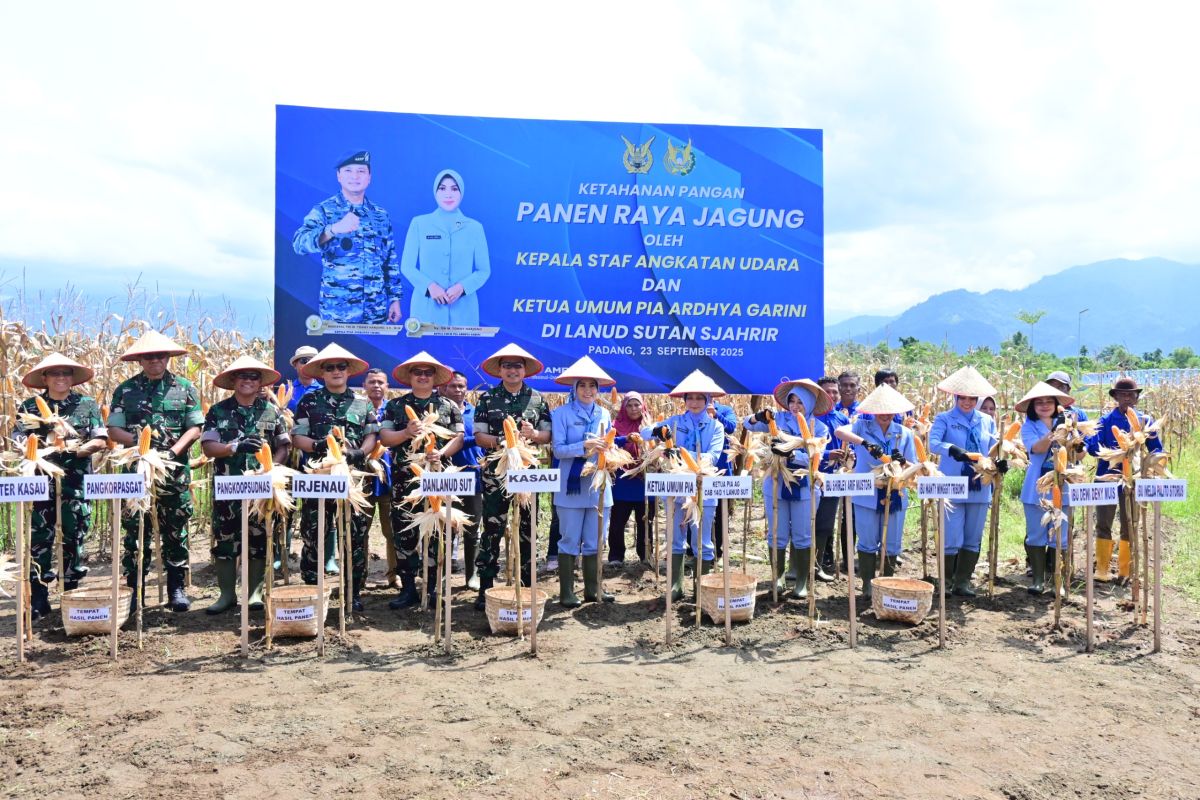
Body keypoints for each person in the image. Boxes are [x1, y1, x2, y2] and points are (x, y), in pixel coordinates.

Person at [108, 330, 203, 613]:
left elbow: (195, 427)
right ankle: (135, 589)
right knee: (136, 530)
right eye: (149, 357)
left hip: (174, 471)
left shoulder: (185, 388)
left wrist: (173, 453)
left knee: (175, 528)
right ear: (140, 360)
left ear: (167, 358)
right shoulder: (125, 390)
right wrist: (140, 446)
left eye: (160, 356)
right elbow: (114, 430)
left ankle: (176, 587)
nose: (155, 361)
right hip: (137, 469)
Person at [15, 354, 107, 619]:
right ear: (44, 378)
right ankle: (39, 598)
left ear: (72, 378)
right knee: (40, 540)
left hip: (75, 482)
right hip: (40, 482)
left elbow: (100, 439)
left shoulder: (86, 404)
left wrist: (75, 449)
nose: (60, 378)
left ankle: (72, 596)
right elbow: (18, 438)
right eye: (54, 374)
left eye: (65, 373)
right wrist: (38, 447)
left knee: (74, 536)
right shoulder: (30, 406)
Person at [291, 343, 379, 612]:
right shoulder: (309, 401)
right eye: (330, 368)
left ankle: (352, 590)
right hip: (319, 476)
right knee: (314, 532)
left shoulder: (362, 404)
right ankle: (313, 589)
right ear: (322, 372)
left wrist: (359, 453)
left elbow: (372, 436)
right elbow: (297, 437)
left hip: (353, 478)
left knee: (354, 535)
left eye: (341, 367)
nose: (336, 371)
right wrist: (318, 446)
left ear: (348, 371)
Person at [199, 356, 290, 614]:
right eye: (242, 376)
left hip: (261, 489)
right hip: (229, 487)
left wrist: (270, 469)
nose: (248, 381)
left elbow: (283, 446)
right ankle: (226, 595)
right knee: (226, 539)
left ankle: (254, 594)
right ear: (233, 381)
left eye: (253, 377)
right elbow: (207, 447)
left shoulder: (271, 411)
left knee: (259, 538)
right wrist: (233, 447)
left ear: (260, 382)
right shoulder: (218, 411)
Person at [380, 352, 463, 610]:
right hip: (407, 481)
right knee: (405, 533)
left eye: (428, 373)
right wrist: (405, 432)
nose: (423, 377)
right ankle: (408, 590)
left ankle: (433, 587)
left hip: (438, 479)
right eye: (418, 372)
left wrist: (442, 452)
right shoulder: (396, 405)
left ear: (434, 377)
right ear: (411, 377)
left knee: (438, 532)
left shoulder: (448, 406)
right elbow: (384, 437)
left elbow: (458, 437)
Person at [471, 344, 552, 611]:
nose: (513, 370)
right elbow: (479, 436)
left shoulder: (538, 399)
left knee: (528, 529)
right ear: (500, 370)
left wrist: (533, 435)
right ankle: (486, 587)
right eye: (507, 365)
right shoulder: (487, 398)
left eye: (518, 365)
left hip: (527, 474)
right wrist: (503, 441)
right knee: (492, 529)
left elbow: (546, 435)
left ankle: (527, 585)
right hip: (497, 473)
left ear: (525, 370)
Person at [642, 370, 727, 602]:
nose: (695, 402)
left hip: (703, 486)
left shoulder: (716, 427)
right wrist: (658, 432)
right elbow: (644, 433)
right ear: (685, 400)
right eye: (690, 398)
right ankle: (676, 586)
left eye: (700, 398)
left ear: (708, 400)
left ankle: (703, 589)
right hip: (676, 486)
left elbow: (712, 456)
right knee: (675, 538)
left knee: (703, 539)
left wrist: (680, 453)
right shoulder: (676, 422)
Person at [743, 379, 831, 599]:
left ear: (809, 404)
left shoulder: (818, 427)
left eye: (800, 402)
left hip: (805, 487)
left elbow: (815, 457)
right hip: (775, 482)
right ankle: (778, 577)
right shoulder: (779, 419)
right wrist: (759, 417)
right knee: (777, 533)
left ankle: (802, 581)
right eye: (792, 401)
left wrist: (793, 455)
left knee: (802, 535)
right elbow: (747, 425)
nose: (795, 406)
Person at [292, 150, 401, 325]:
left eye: (361, 171)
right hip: (337, 315)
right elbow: (298, 244)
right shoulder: (324, 210)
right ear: (339, 176)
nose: (355, 176)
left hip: (376, 315)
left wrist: (394, 298)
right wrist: (333, 229)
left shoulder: (381, 215)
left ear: (369, 177)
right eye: (348, 171)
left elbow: (390, 260)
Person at [834, 384, 918, 598]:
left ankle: (887, 583)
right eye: (880, 410)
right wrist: (865, 443)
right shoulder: (862, 426)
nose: (885, 415)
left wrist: (902, 462)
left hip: (895, 493)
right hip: (867, 494)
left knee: (892, 542)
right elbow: (839, 431)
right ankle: (868, 584)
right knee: (867, 540)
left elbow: (913, 466)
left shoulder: (904, 433)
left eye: (889, 410)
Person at [928, 366, 1000, 597]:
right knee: (951, 535)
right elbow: (933, 443)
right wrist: (953, 450)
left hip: (980, 483)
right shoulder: (945, 419)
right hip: (952, 483)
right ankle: (946, 582)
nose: (967, 402)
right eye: (963, 398)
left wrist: (1000, 462)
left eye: (972, 398)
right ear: (955, 397)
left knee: (972, 536)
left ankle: (963, 582)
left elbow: (993, 449)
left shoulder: (986, 421)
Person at [551, 357, 616, 606]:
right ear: (574, 388)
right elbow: (558, 450)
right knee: (569, 539)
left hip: (598, 484)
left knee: (596, 539)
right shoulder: (562, 414)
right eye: (582, 386)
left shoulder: (604, 413)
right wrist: (584, 446)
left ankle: (593, 588)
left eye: (592, 386)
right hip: (571, 485)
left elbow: (607, 445)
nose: (588, 391)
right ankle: (567, 592)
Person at [1087, 376, 1161, 582]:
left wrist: (1148, 465)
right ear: (1116, 397)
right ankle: (1101, 569)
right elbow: (1092, 447)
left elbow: (1156, 449)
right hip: (1106, 478)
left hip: (1134, 478)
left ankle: (1125, 571)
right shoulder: (1104, 421)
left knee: (1130, 522)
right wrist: (1116, 452)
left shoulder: (1145, 421)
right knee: (1103, 522)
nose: (1127, 398)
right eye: (1122, 394)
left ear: (1137, 398)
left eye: (1131, 394)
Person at [400, 169, 490, 328]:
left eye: (454, 189)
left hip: (464, 312)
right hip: (426, 310)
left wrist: (462, 288)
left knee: (465, 353)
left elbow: (484, 271)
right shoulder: (419, 223)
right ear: (435, 191)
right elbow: (407, 266)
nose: (448, 194)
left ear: (461, 192)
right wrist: (430, 287)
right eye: (442, 188)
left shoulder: (475, 228)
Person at [1016, 381, 1074, 596]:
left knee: (1061, 535)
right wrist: (1054, 430)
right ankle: (1038, 580)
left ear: (1056, 403)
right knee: (1036, 534)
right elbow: (1037, 449)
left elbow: (1077, 452)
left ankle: (1056, 580)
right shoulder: (1028, 426)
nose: (1044, 405)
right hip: (1037, 487)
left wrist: (1074, 440)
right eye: (1039, 402)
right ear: (1032, 406)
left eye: (1048, 401)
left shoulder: (1069, 424)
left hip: (1063, 486)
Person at [440, 370, 484, 589]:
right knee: (446, 527)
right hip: (447, 477)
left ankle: (472, 574)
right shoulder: (438, 412)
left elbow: (483, 439)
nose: (458, 390)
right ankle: (444, 574)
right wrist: (471, 439)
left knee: (472, 528)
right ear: (443, 388)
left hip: (473, 477)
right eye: (453, 386)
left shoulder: (476, 412)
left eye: (461, 386)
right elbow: (443, 440)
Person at [608, 391, 654, 565]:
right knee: (618, 521)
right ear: (624, 407)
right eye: (630, 405)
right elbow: (609, 444)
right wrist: (624, 439)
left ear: (642, 406)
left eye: (637, 405)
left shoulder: (649, 426)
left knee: (645, 520)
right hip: (622, 481)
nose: (634, 409)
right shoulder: (615, 425)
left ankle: (645, 554)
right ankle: (616, 556)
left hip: (645, 481)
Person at [362, 368, 397, 588]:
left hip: (390, 479)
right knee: (360, 531)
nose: (376, 386)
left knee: (392, 530)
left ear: (387, 387)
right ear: (364, 386)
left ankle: (394, 574)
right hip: (362, 479)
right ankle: (360, 575)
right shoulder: (357, 408)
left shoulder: (394, 410)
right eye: (372, 382)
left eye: (381, 382)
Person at [814, 376, 850, 580]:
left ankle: (818, 565)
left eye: (835, 391)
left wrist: (848, 456)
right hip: (812, 476)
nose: (833, 395)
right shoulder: (811, 417)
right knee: (807, 522)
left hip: (834, 477)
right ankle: (800, 567)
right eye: (828, 391)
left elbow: (848, 446)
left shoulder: (843, 420)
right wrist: (828, 455)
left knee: (826, 523)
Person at [286, 345, 323, 414]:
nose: (308, 365)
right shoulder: (286, 389)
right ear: (295, 365)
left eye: (312, 361)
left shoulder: (324, 391)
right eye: (304, 361)